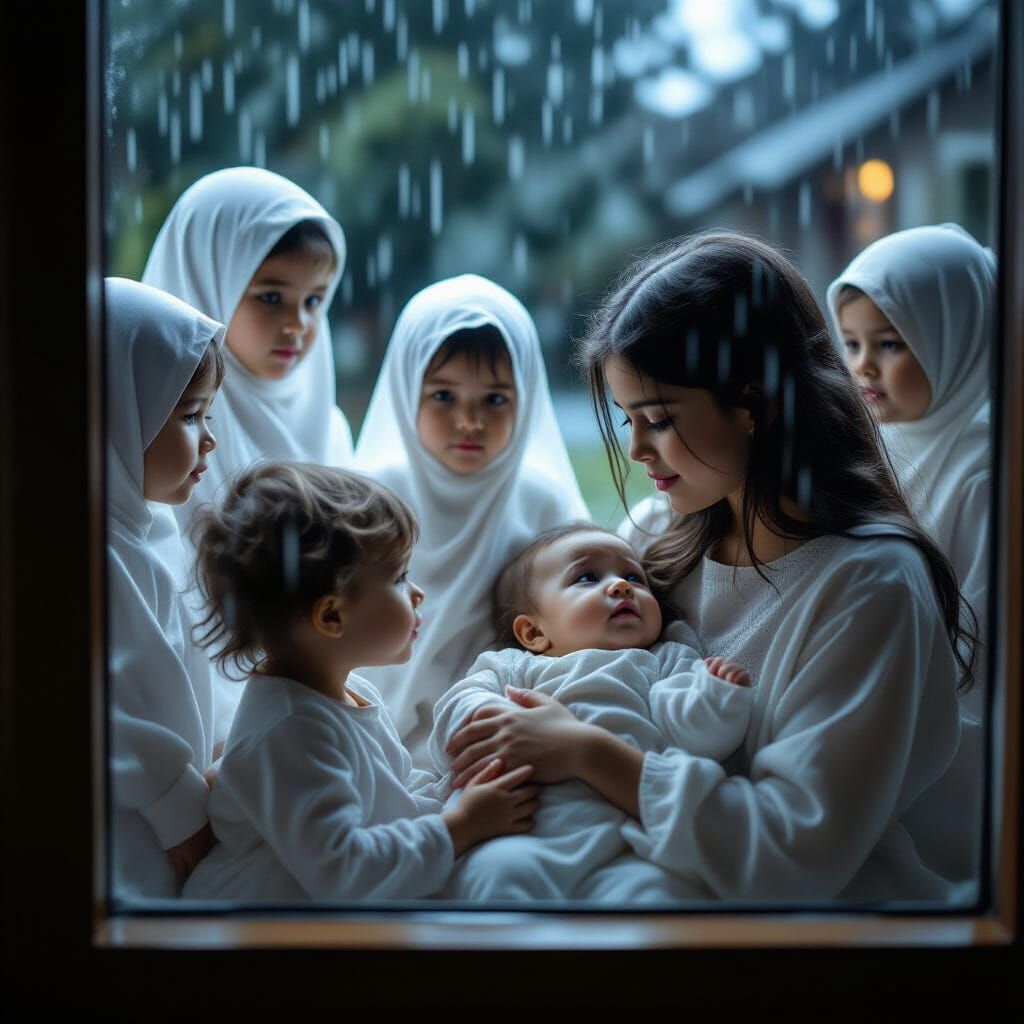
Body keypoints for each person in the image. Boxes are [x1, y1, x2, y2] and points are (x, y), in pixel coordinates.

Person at [445, 232, 976, 902]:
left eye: (658, 419)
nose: (636, 448)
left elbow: (791, 853)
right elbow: (554, 675)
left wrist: (588, 753)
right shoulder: (652, 536)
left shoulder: (869, 587)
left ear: (753, 405)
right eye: (627, 419)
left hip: (819, 941)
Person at [182, 462, 538, 902]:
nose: (418, 593)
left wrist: (460, 787)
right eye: (399, 577)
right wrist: (460, 825)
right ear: (331, 616)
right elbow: (346, 874)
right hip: (259, 934)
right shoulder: (291, 732)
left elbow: (391, 800)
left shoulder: (347, 692)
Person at [430, 523, 751, 902]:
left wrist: (719, 695)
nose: (620, 586)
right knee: (496, 875)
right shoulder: (516, 667)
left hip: (624, 843)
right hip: (521, 830)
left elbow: (700, 738)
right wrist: (492, 716)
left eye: (634, 576)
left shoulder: (664, 660)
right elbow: (455, 712)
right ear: (533, 633)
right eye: (587, 577)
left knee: (658, 894)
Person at [142, 166, 354, 739]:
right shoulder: (157, 427)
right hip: (191, 712)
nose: (298, 325)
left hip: (317, 697)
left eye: (315, 300)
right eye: (269, 297)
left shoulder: (325, 423)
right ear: (207, 280)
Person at [355, 274, 588, 766]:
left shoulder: (543, 504)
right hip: (371, 736)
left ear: (525, 400)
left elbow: (581, 634)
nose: (469, 421)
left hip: (504, 737)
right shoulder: (366, 499)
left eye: (495, 400)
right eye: (443, 396)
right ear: (406, 388)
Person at [828, 223, 994, 722]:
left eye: (890, 344)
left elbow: (978, 645)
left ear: (955, 337)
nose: (863, 367)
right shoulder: (872, 442)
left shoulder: (982, 474)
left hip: (930, 724)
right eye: (852, 344)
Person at [105, 277, 224, 900]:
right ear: (119, 412)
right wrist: (175, 803)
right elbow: (103, 711)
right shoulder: (94, 554)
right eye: (188, 415)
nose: (209, 439)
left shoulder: (148, 526)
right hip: (130, 835)